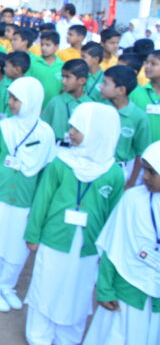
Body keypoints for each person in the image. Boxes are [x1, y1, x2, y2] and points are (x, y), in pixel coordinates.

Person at [24, 103, 124, 345]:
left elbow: (113, 217)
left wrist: (107, 251)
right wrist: (33, 234)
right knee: (47, 283)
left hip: (89, 246)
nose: (69, 132)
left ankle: (67, 337)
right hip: (54, 236)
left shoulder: (113, 173)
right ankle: (39, 334)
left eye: (76, 128)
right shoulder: (62, 163)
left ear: (95, 131)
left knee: (77, 292)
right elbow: (42, 200)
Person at [0, 77, 55, 313]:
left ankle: (6, 285)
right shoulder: (6, 127)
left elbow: (45, 176)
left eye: (16, 99)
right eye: (10, 97)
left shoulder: (46, 134)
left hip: (25, 200)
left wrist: (39, 209)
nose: (10, 103)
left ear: (30, 102)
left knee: (16, 247)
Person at [82, 141, 160, 345]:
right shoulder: (132, 200)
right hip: (123, 293)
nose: (144, 177)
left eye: (152, 172)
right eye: (144, 169)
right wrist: (105, 289)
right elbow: (112, 245)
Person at [102, 65, 152, 187]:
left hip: (122, 170)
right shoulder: (99, 109)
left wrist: (131, 181)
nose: (101, 87)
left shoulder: (139, 117)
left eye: (105, 84)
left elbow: (141, 153)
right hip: (97, 168)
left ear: (121, 90)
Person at [41, 59, 92, 144]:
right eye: (63, 77)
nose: (63, 81)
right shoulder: (55, 101)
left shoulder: (90, 105)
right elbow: (42, 128)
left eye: (68, 77)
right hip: (56, 148)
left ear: (82, 80)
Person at [28, 30, 63, 109]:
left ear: (56, 47)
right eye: (42, 44)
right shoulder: (33, 63)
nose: (43, 48)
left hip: (54, 107)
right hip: (34, 106)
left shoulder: (62, 66)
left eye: (48, 45)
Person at [131, 49, 160, 142]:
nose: (147, 67)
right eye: (146, 62)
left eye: (153, 63)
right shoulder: (136, 93)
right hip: (141, 153)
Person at [0, 51, 31, 118]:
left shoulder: (25, 89)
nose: (4, 69)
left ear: (17, 70)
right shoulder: (4, 84)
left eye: (6, 66)